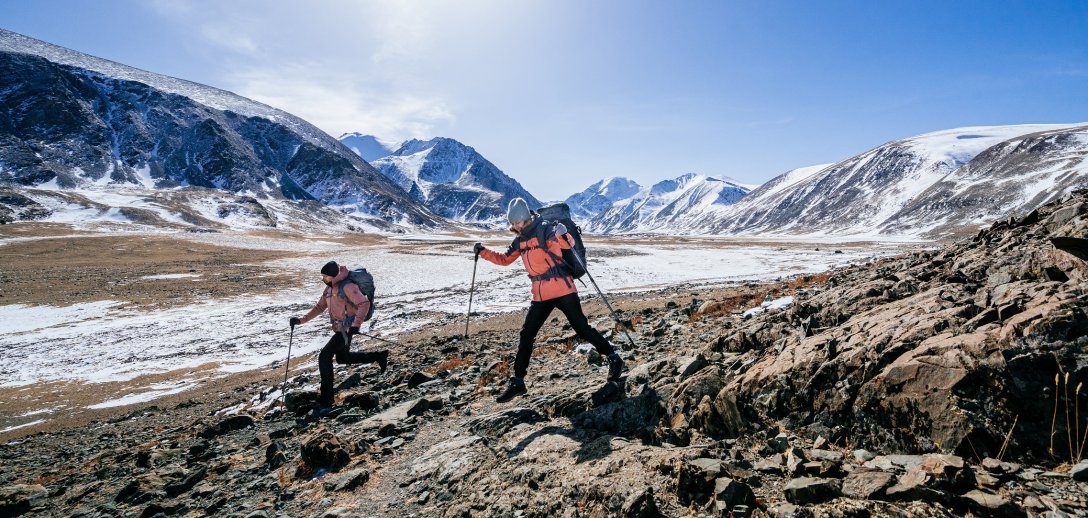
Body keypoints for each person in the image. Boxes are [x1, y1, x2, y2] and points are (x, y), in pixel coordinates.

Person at [475, 197, 623, 403]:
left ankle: (614, 357)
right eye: (513, 222)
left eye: (518, 221)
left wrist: (564, 234)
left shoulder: (546, 229)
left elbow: (567, 244)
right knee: (527, 334)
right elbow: (505, 260)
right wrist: (483, 252)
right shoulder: (519, 240)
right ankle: (518, 381)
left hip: (563, 289)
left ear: (526, 218)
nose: (516, 225)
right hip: (541, 295)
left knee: (581, 328)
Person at [290, 261, 388, 415]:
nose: (323, 279)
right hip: (340, 329)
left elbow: (364, 303)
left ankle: (326, 399)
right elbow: (319, 307)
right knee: (342, 358)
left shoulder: (347, 286)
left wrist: (356, 325)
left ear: (332, 275)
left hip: (347, 329)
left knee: (324, 357)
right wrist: (300, 320)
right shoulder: (328, 289)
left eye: (325, 276)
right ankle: (379, 356)